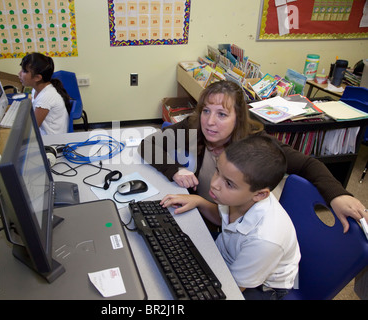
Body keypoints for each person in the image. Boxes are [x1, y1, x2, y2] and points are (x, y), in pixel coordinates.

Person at [138, 80, 368, 232]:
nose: (210, 121)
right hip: (203, 212)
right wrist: (176, 170)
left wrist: (337, 194)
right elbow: (149, 144)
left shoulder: (257, 146)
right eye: (206, 111)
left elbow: (307, 163)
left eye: (222, 114)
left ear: (238, 118)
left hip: (230, 227)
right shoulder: (195, 125)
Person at [160, 135, 301, 300]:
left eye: (228, 183)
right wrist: (199, 201)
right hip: (230, 256)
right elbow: (224, 219)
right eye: (218, 171)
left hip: (258, 286)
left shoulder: (265, 240)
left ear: (260, 194)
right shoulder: (240, 197)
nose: (214, 184)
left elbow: (232, 290)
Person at [18, 52, 71, 135]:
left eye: (24, 71)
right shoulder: (37, 90)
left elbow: (31, 129)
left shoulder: (46, 97)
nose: (19, 73)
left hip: (51, 142)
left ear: (37, 78)